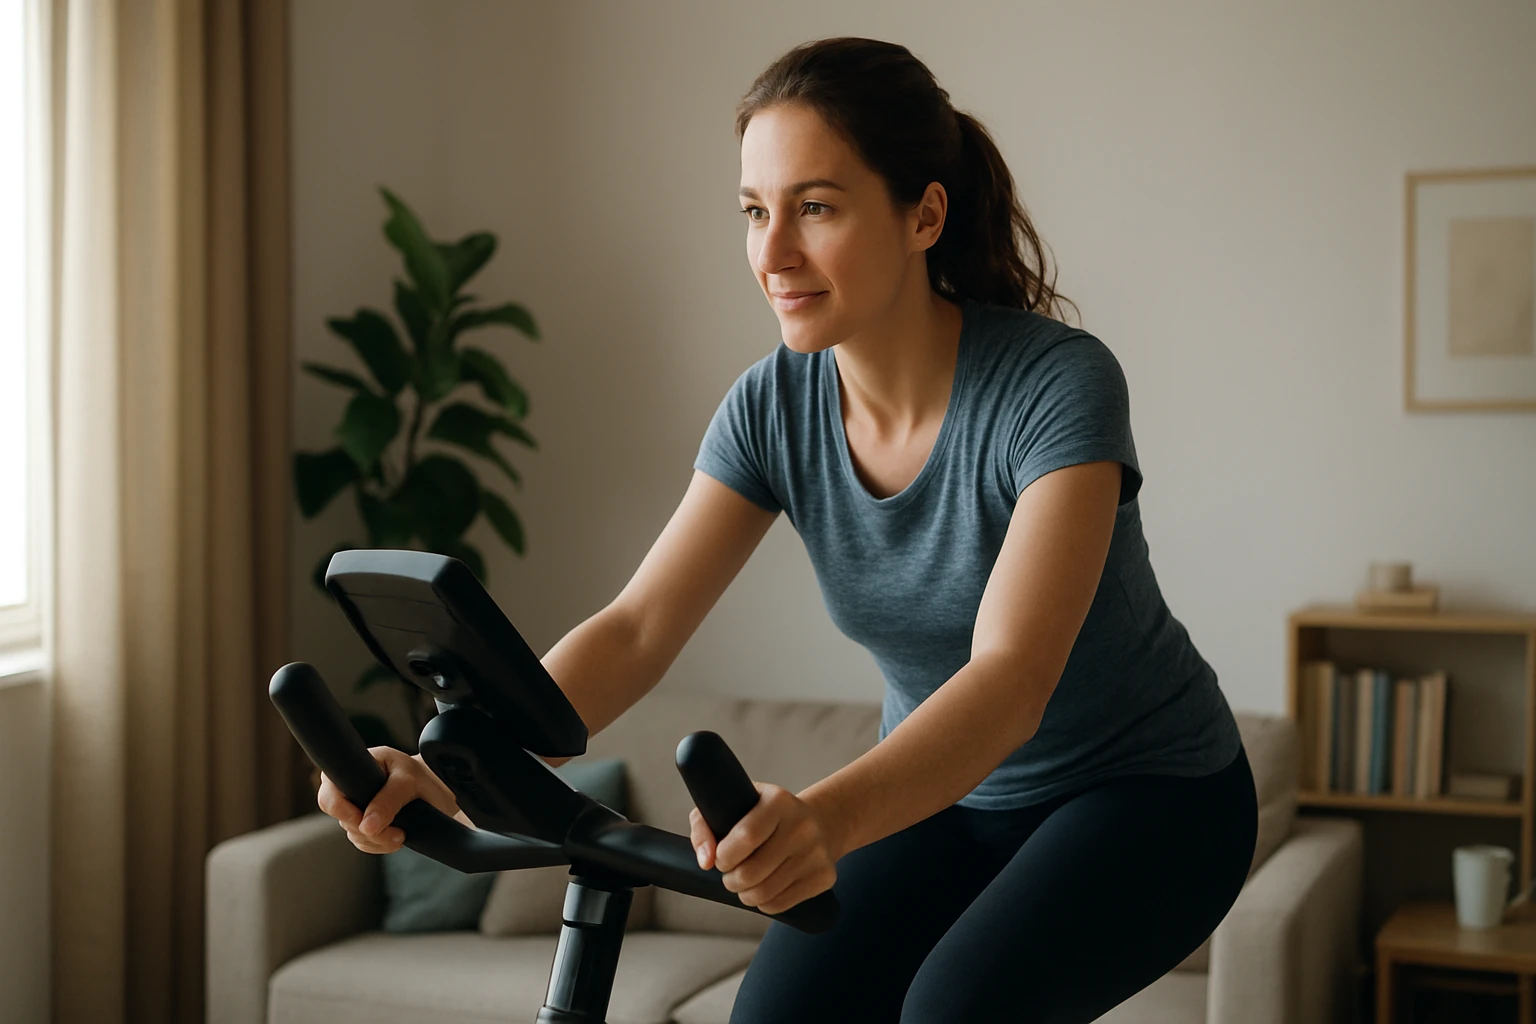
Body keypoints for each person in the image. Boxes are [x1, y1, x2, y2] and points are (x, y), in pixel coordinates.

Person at [317, 35, 1257, 1024]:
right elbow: (638, 626)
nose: (772, 255)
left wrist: (828, 815)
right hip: (952, 804)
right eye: (756, 212)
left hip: (1150, 795)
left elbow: (1010, 680)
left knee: (954, 1008)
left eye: (816, 207)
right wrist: (450, 767)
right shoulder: (772, 406)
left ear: (923, 214)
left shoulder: (1054, 385)